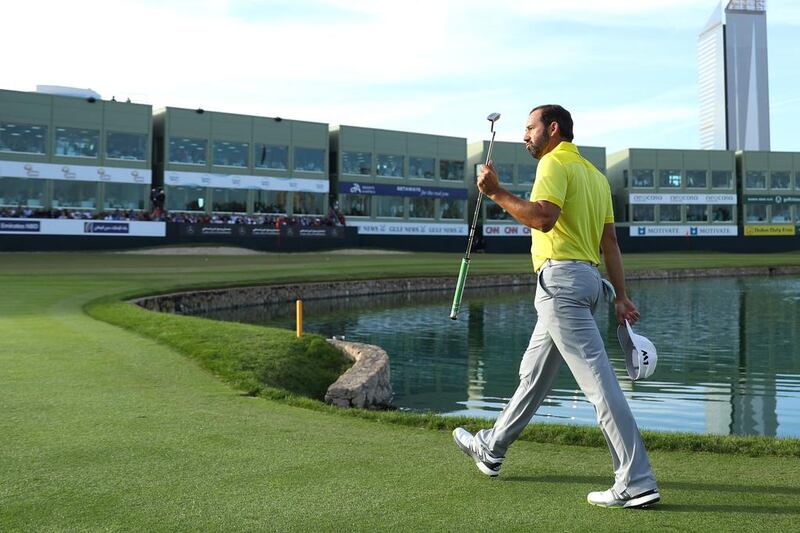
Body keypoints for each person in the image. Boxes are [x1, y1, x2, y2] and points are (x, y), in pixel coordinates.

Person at [452, 104, 659, 509]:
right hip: (587, 286)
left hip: (561, 287)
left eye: (529, 128)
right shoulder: (596, 176)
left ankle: (636, 480)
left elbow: (544, 218)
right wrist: (621, 296)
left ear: (552, 129)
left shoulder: (552, 164)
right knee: (533, 377)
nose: (525, 135)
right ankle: (491, 449)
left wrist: (495, 192)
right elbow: (610, 244)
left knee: (600, 384)